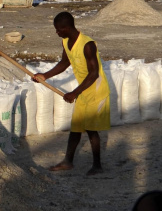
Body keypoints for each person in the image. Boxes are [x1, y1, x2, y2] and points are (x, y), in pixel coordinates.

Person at [32, 11, 110, 175]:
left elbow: (94, 73)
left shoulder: (87, 44)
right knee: (76, 128)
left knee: (90, 129)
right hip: (83, 90)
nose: (57, 32)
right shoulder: (66, 42)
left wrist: (74, 92)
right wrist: (44, 76)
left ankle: (97, 166)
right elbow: (65, 62)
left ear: (67, 28)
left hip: (95, 90)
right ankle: (68, 162)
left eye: (58, 29)